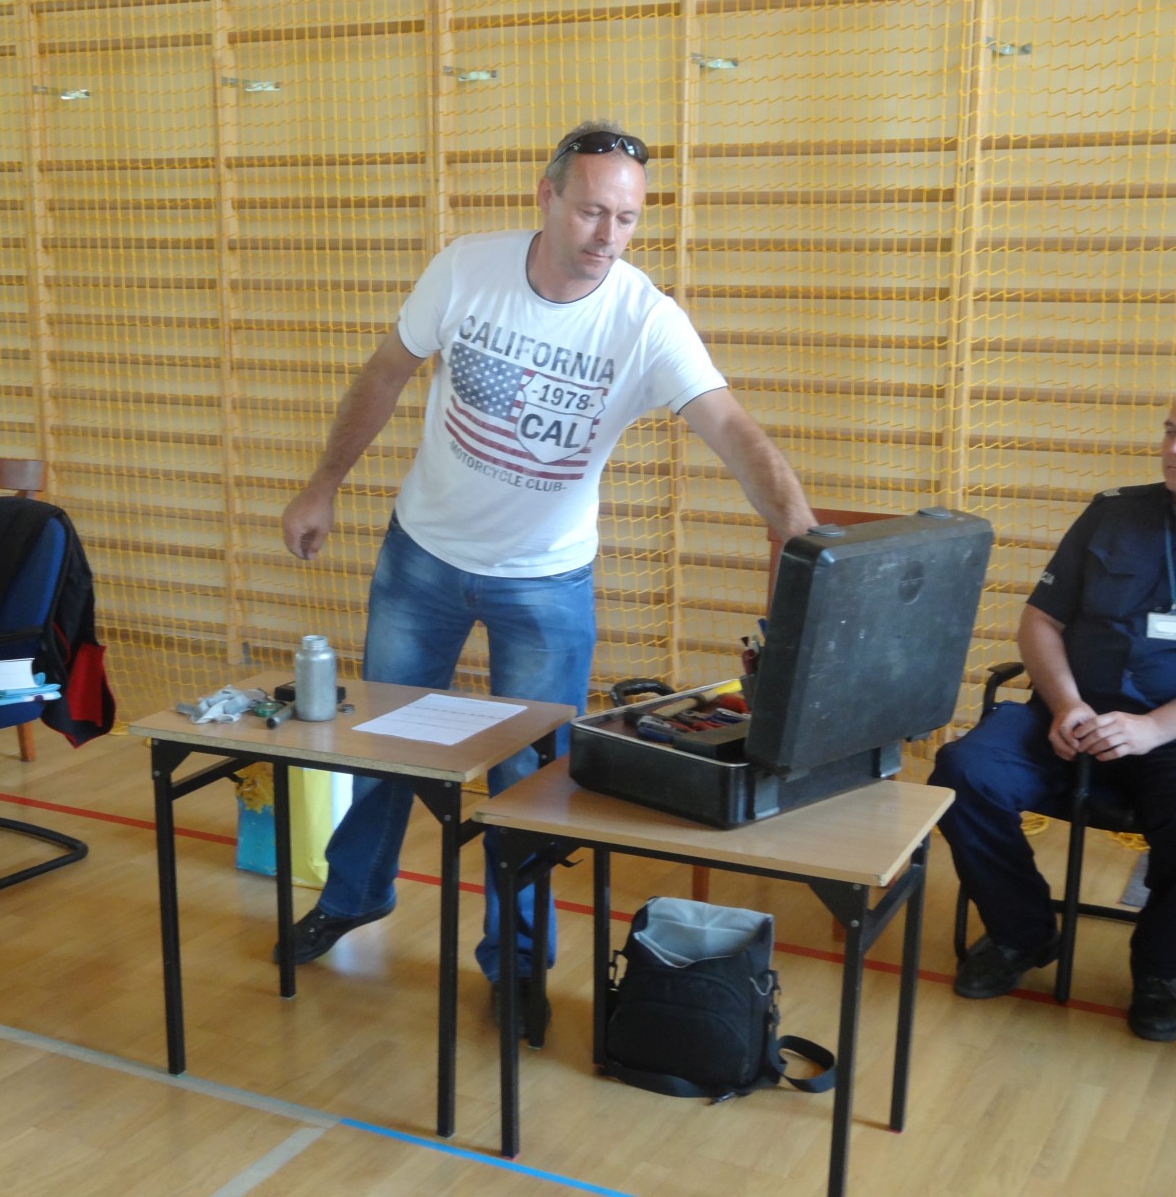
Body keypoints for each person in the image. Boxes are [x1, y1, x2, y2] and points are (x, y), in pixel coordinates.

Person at [277, 120, 815, 1024]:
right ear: (547, 196)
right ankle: (353, 896)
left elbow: (733, 430)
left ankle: (517, 964)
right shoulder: (466, 268)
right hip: (422, 557)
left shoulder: (645, 319)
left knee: (532, 784)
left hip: (546, 583)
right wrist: (321, 485)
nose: (608, 237)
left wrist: (804, 547)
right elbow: (384, 373)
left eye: (628, 219)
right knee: (387, 746)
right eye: (592, 212)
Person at [932, 376, 1176, 1041]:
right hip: (1068, 721)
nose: (1173, 447)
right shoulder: (1113, 513)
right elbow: (1040, 621)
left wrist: (1154, 727)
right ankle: (1022, 933)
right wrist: (1065, 703)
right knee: (962, 773)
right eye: (1170, 431)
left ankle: (1160, 966)